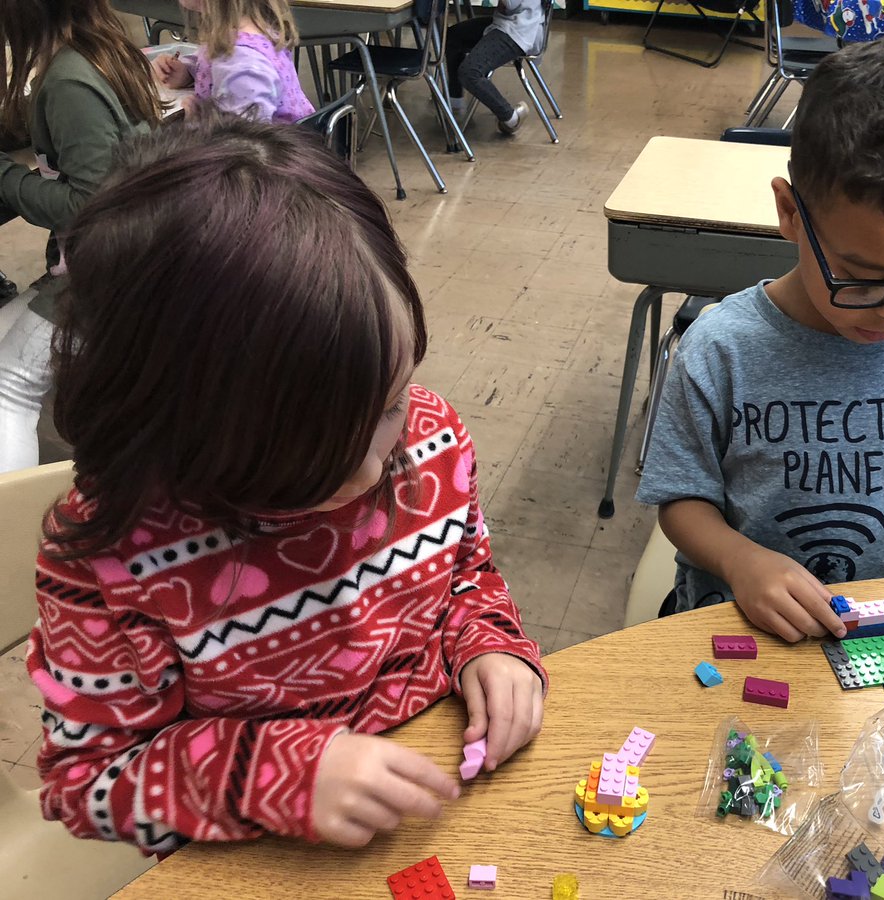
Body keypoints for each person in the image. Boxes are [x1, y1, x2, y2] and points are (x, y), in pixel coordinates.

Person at [27, 115, 546, 852]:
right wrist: (281, 773)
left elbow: (467, 575)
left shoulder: (431, 438)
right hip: (252, 857)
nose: (372, 467)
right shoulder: (109, 562)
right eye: (307, 451)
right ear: (174, 421)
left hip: (430, 812)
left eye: (389, 400)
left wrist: (491, 646)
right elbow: (88, 783)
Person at [636, 37, 884, 639]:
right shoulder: (721, 348)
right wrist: (740, 560)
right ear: (792, 213)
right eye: (865, 279)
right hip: (736, 623)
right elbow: (681, 498)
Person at [0, 0, 160, 473]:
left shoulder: (69, 79)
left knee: (10, 384)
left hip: (111, 270)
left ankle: (10, 517)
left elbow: (88, 205)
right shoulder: (103, 48)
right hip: (140, 251)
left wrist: (7, 178)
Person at [150, 0, 314, 123]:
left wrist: (198, 121)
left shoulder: (242, 64)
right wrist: (187, 73)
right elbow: (212, 65)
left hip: (271, 162)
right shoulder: (255, 30)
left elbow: (242, 147)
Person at [445, 0, 546, 134]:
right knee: (451, 37)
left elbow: (508, 5)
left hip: (519, 30)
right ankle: (454, 101)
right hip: (506, 22)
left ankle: (510, 118)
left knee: (470, 72)